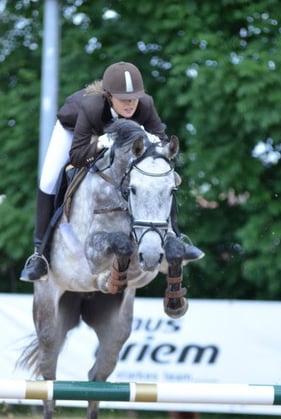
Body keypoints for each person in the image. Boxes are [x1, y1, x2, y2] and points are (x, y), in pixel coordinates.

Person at [20, 61, 204, 282]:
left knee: (160, 177)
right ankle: (39, 255)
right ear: (108, 96)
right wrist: (100, 143)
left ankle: (176, 236)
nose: (130, 105)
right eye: (124, 99)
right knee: (49, 179)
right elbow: (77, 155)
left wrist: (156, 144)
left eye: (134, 98)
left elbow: (162, 145)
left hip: (122, 138)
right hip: (75, 130)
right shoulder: (91, 107)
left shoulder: (145, 105)